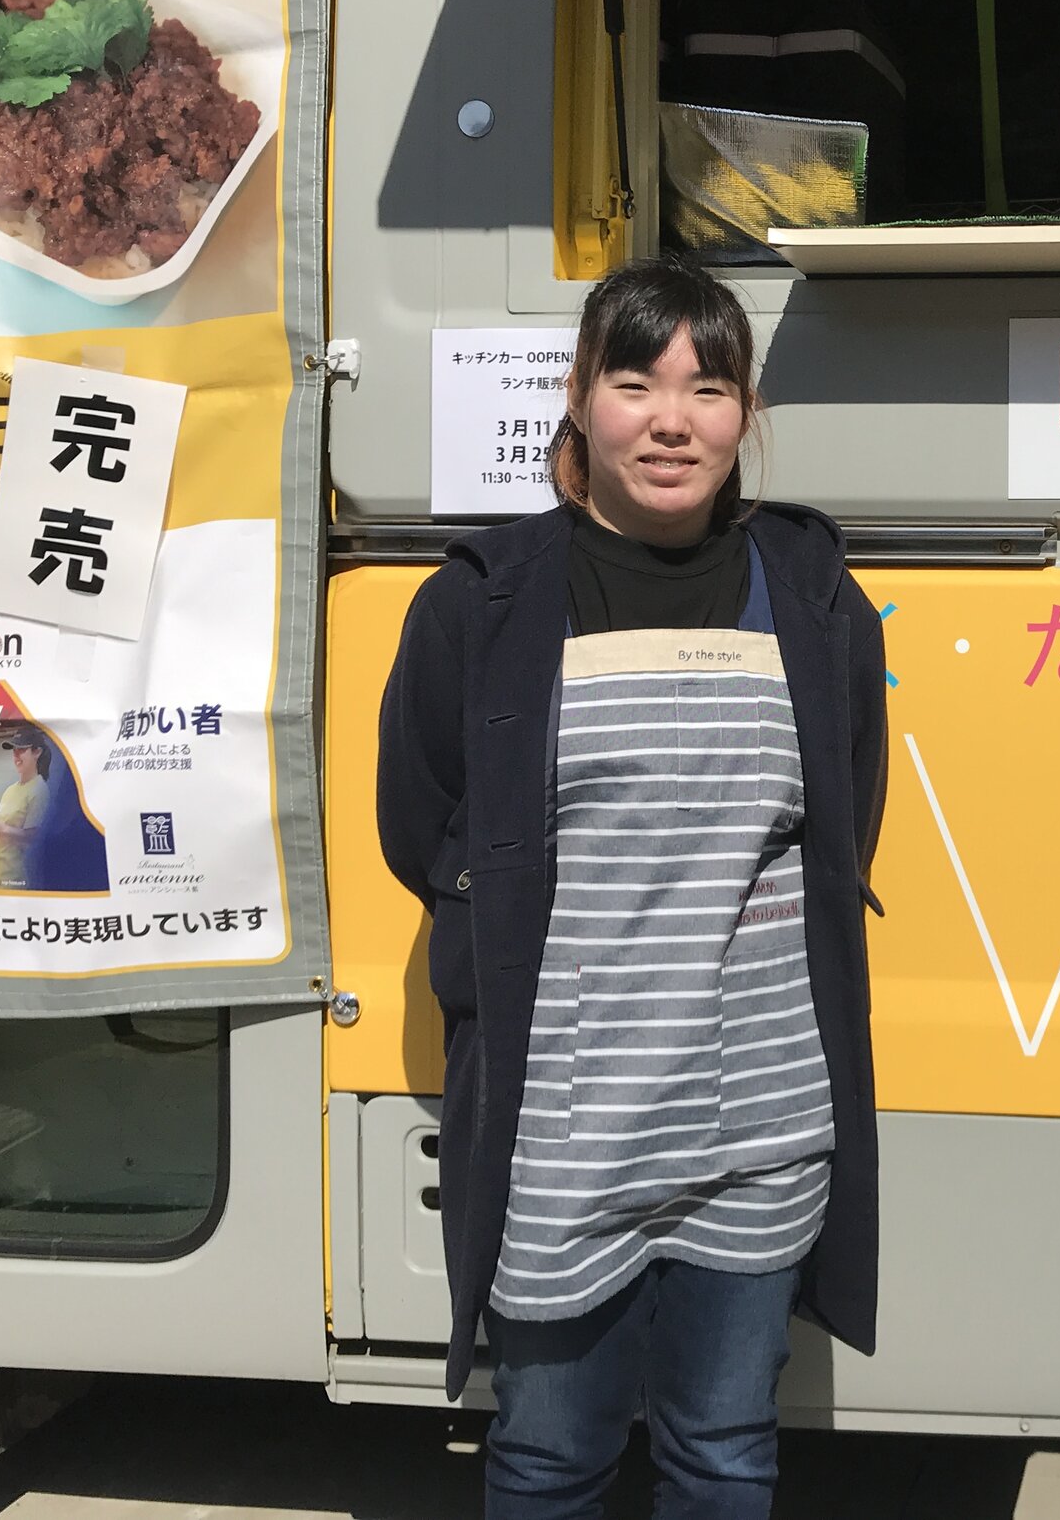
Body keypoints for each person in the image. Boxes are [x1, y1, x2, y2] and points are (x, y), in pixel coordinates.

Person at [377, 255, 888, 1520]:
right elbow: (422, 822)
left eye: (709, 388)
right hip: (562, 1123)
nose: (672, 419)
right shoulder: (483, 603)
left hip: (761, 1127)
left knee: (724, 1449)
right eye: (635, 381)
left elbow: (845, 821)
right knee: (552, 1457)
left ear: (745, 415)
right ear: (579, 399)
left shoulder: (816, 598)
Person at [0, 734, 52, 892]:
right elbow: (0, 822)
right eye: (14, 750)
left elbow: (35, 837)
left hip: (9, 877)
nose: (16, 755)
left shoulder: (39, 789)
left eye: (22, 750)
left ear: (37, 752)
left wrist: (3, 829)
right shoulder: (11, 789)